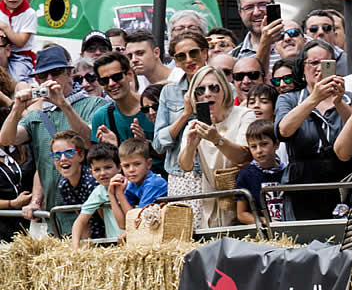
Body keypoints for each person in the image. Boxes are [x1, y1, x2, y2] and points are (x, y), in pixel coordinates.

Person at [0, 47, 107, 234]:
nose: (50, 80)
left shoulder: (95, 104)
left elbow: (88, 141)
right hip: (54, 217)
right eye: (42, 76)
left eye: (56, 73)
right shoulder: (38, 114)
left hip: (91, 212)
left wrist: (63, 104)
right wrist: (17, 109)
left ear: (69, 73)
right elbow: (6, 139)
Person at [274, 40, 351, 221]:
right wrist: (314, 99)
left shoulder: (348, 99)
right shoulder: (290, 99)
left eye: (326, 63)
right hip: (300, 184)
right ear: (302, 68)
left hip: (341, 184)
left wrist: (339, 103)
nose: (319, 68)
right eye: (314, 63)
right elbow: (283, 131)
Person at [179, 65, 256, 228]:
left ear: (224, 90)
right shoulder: (194, 125)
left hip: (243, 198)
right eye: (200, 90)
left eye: (214, 87)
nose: (207, 93)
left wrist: (217, 139)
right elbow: (185, 166)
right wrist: (191, 146)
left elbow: (244, 157)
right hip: (211, 201)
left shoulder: (244, 114)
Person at [153, 32, 210, 218]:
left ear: (205, 53)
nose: (189, 60)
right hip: (181, 176)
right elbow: (159, 145)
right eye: (181, 56)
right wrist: (185, 115)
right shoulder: (169, 92)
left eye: (194, 53)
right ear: (176, 62)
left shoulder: (224, 88)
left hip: (215, 171)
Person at [89, 52, 155, 147]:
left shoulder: (154, 106)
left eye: (116, 77)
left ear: (129, 75)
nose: (111, 83)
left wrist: (145, 144)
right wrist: (112, 148)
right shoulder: (101, 117)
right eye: (104, 81)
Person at [50, 130, 103, 239]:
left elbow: (105, 218)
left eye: (69, 153)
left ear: (81, 155)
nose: (63, 159)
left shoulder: (92, 182)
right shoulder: (64, 186)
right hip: (92, 240)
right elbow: (83, 221)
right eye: (57, 155)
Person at [235, 119, 286, 225]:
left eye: (264, 144)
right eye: (253, 146)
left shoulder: (288, 172)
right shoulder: (245, 175)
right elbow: (242, 214)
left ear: (276, 144)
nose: (259, 150)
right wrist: (265, 221)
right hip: (262, 232)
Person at [71, 142, 122, 248]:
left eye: (108, 167)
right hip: (114, 246)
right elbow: (80, 221)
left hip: (135, 242)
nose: (102, 173)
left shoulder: (131, 187)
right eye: (97, 169)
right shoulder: (99, 192)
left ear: (119, 167)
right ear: (91, 172)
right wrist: (75, 247)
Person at [110, 137, 168, 226]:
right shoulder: (131, 185)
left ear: (148, 164)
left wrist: (120, 194)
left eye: (137, 164)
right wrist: (112, 194)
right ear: (121, 167)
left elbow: (138, 221)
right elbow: (122, 224)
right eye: (126, 166)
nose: (131, 170)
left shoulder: (154, 184)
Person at [232, 0, 280, 71]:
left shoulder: (296, 44)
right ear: (240, 13)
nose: (257, 12)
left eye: (263, 5)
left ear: (273, 6)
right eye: (249, 7)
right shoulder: (234, 57)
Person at [0, 0, 36, 83]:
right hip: (2, 52)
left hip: (20, 56)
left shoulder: (29, 14)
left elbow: (21, 42)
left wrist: (5, 28)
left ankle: (19, 98)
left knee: (16, 80)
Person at [305, 9, 348, 75]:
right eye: (313, 29)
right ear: (305, 36)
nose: (321, 32)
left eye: (327, 28)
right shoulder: (298, 61)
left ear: (334, 34)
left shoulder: (350, 62)